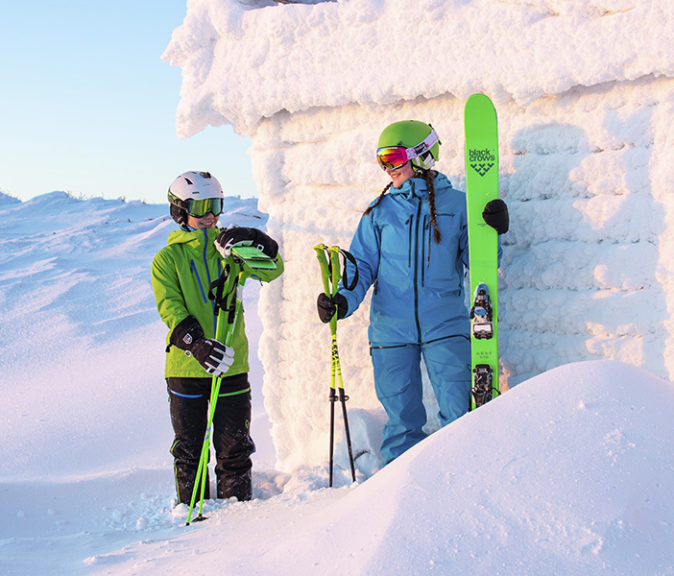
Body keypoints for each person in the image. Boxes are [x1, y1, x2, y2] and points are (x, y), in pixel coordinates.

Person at [316, 121, 508, 464]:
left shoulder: (460, 206)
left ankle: (462, 477)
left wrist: (492, 232)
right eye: (382, 161)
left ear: (421, 155)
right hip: (390, 331)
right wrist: (342, 300)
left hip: (444, 326)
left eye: (393, 158)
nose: (387, 169)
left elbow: (480, 263)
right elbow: (361, 266)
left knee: (459, 414)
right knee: (402, 424)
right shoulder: (379, 213)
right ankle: (400, 494)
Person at [151, 171, 283, 504]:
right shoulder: (167, 260)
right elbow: (170, 308)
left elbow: (273, 270)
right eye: (201, 206)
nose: (211, 214)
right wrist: (195, 343)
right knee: (190, 451)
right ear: (180, 211)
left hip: (231, 363)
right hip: (187, 369)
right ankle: (190, 513)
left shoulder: (230, 249)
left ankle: (236, 518)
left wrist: (258, 241)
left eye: (216, 205)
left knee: (235, 448)